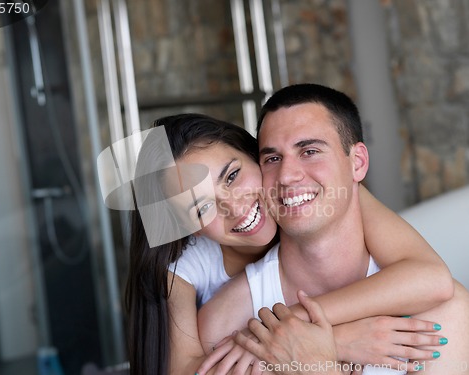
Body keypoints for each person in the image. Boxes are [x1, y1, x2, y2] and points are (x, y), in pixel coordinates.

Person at [122, 114, 452, 375]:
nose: (234, 207)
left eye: (232, 176)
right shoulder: (184, 273)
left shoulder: (317, 196)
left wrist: (294, 324)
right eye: (201, 208)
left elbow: (430, 277)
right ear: (189, 229)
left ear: (259, 158)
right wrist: (333, 344)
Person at [198, 84, 469, 374]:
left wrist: (318, 362)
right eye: (273, 159)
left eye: (310, 151)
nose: (288, 176)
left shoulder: (435, 313)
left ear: (358, 163)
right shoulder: (226, 325)